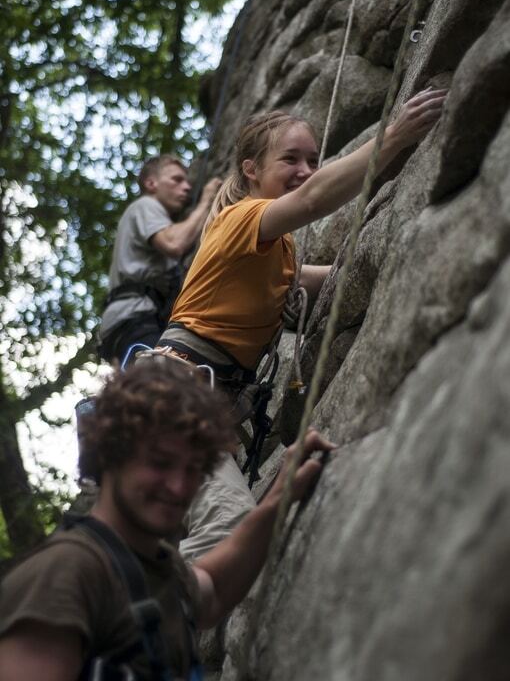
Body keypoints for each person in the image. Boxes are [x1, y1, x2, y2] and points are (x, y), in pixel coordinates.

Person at [151, 89, 447, 554]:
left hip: (187, 396)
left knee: (196, 542)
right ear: (251, 169)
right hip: (178, 391)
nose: (305, 171)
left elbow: (323, 279)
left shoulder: (277, 248)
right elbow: (312, 200)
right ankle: (169, 621)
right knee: (226, 531)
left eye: (312, 159)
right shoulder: (239, 219)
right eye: (290, 159)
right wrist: (395, 136)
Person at [0, 360, 334, 681]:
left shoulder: (155, 568)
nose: (179, 486)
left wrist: (279, 495)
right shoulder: (63, 576)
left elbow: (213, 589)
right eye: (160, 463)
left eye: (193, 469)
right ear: (110, 453)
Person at [98, 154, 221, 365]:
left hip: (132, 321)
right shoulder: (146, 205)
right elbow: (174, 243)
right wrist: (207, 200)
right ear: (151, 183)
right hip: (134, 318)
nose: (186, 187)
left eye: (187, 182)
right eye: (176, 180)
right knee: (162, 380)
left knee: (152, 389)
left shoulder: (150, 217)